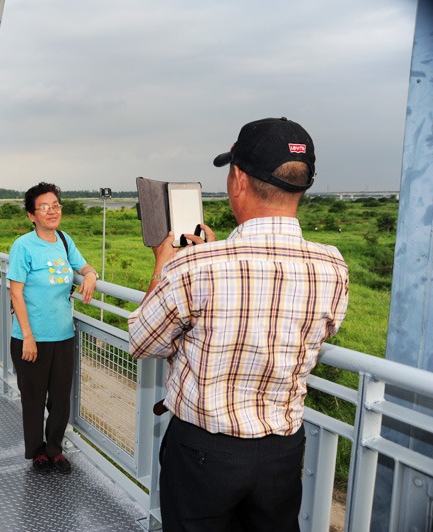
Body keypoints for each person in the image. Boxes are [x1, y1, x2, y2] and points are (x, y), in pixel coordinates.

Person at [128, 117, 349, 532]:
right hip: (283, 452)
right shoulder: (332, 265)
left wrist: (164, 267)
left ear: (238, 180)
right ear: (303, 184)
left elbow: (143, 340)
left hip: (203, 453)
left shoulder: (196, 266)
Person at [7, 182, 98, 474]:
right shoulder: (23, 246)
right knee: (33, 399)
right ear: (32, 215)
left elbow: (83, 267)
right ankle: (36, 452)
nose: (52, 211)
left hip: (63, 334)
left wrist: (91, 274)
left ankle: (54, 448)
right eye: (44, 207)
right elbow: (16, 293)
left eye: (56, 205)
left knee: (60, 399)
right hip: (30, 337)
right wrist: (28, 338)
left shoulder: (63, 239)